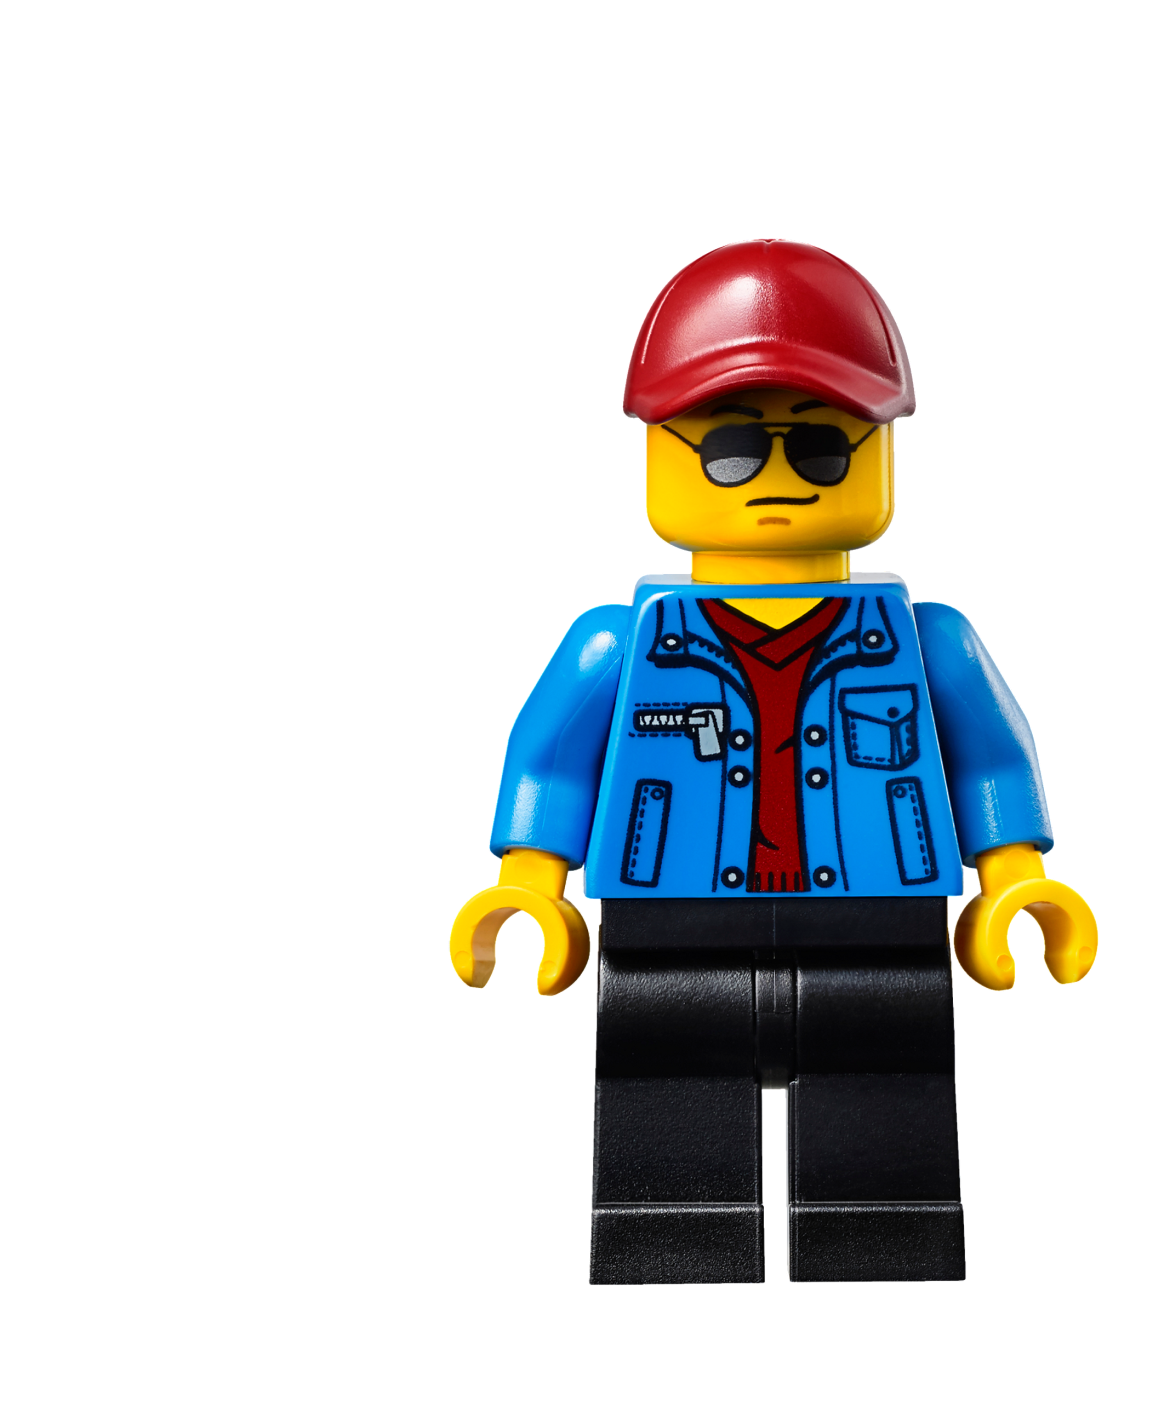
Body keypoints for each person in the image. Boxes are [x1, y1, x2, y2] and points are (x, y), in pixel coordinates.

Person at [451, 240, 1097, 1283]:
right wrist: (530, 886)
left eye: (825, 451)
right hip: (668, 927)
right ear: (660, 453)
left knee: (886, 1103)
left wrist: (1013, 879)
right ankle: (672, 1242)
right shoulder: (619, 644)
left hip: (879, 924)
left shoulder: (925, 640)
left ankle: (882, 1243)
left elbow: (990, 758)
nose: (778, 484)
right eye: (731, 448)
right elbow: (553, 764)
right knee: (666, 1107)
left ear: (878, 454)